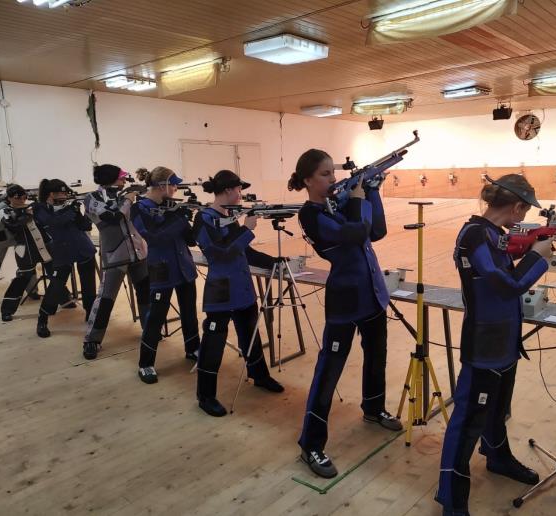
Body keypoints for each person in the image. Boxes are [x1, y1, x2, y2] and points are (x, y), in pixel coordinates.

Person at [434, 174, 554, 516]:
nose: (524, 216)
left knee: (497, 410)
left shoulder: (492, 234)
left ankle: (497, 457)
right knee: (467, 423)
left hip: (503, 343)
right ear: (516, 207)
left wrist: (529, 249)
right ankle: (451, 499)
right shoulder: (475, 235)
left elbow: (500, 269)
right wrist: (538, 257)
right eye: (524, 210)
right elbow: (506, 284)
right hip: (483, 348)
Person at [288, 149, 402, 479]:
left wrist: (372, 192)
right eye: (324, 174)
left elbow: (376, 231)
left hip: (372, 293)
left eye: (332, 172)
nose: (332, 179)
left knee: (377, 356)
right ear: (308, 180)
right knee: (329, 371)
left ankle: (374, 408)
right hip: (344, 300)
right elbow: (354, 232)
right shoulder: (310, 214)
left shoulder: (336, 203)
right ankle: (311, 444)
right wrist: (357, 199)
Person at [194, 170, 284, 417]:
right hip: (221, 290)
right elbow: (220, 253)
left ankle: (259, 375)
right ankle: (205, 396)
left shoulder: (228, 217)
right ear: (227, 190)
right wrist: (247, 229)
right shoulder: (204, 218)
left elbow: (245, 252)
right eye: (238, 189)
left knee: (250, 335)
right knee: (214, 343)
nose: (240, 194)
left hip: (242, 287)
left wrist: (274, 262)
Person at [130, 166, 199, 384]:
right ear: (162, 186)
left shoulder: (172, 207)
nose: (176, 188)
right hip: (161, 269)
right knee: (155, 318)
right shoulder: (139, 208)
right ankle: (145, 363)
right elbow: (153, 235)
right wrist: (178, 218)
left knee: (189, 312)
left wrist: (194, 220)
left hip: (184, 266)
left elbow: (190, 240)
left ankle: (193, 348)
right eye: (174, 184)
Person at [83, 164, 149, 360]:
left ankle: (150, 329)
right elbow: (113, 217)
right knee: (105, 299)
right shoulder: (92, 198)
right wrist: (129, 198)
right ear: (110, 178)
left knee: (145, 294)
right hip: (114, 254)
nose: (124, 180)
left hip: (138, 252)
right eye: (120, 177)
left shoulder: (122, 194)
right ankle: (92, 340)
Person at [34, 179, 96, 338]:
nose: (64, 195)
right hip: (62, 252)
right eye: (61, 193)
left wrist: (80, 212)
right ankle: (42, 319)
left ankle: (90, 314)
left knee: (89, 286)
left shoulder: (69, 207)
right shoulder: (40, 208)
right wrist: (70, 210)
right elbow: (53, 222)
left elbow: (86, 226)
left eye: (65, 193)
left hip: (83, 248)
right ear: (51, 194)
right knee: (55, 287)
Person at [0, 172, 38, 309]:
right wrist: (5, 201)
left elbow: (19, 206)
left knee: (27, 262)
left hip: (16, 232)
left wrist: (14, 195)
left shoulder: (3, 196)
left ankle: (32, 290)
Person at [0, 184, 53, 321]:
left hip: (43, 246)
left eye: (23, 196)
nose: (21, 199)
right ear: (9, 197)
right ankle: (7, 310)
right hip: (23, 249)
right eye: (17, 197)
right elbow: (13, 227)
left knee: (55, 274)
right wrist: (26, 215)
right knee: (22, 278)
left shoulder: (32, 207)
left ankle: (63, 299)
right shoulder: (5, 211)